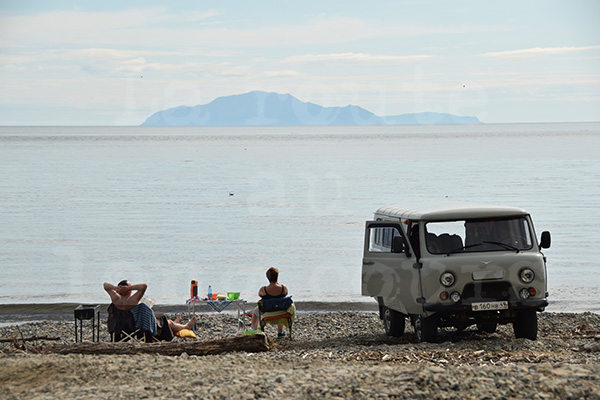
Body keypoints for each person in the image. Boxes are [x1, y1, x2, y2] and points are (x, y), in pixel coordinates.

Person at [103, 280, 196, 340]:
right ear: (130, 291)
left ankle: (176, 323)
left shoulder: (116, 299)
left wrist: (116, 288)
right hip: (137, 325)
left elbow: (105, 285)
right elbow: (144, 286)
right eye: (130, 288)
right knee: (163, 320)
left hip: (121, 325)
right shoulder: (132, 300)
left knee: (163, 320)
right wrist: (129, 288)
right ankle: (184, 327)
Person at [250, 267, 289, 336]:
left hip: (267, 311)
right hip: (281, 312)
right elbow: (286, 294)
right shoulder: (283, 288)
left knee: (255, 311)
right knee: (279, 304)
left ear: (267, 277)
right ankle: (280, 331)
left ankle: (254, 330)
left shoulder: (263, 289)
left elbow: (260, 295)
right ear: (277, 276)